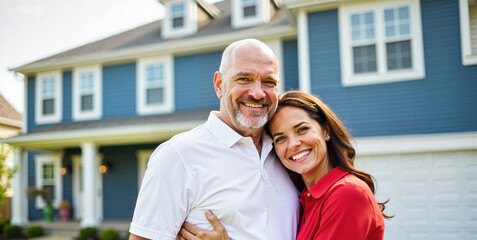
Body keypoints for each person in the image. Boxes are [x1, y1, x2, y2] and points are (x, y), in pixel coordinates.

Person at [128, 39, 300, 240]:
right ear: (219, 85)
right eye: (244, 79)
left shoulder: (287, 153)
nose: (257, 93)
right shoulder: (178, 155)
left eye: (269, 82)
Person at [180, 90, 392, 240]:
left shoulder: (347, 194)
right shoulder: (306, 200)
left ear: (326, 130)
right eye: (280, 138)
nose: (293, 144)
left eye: (302, 130)